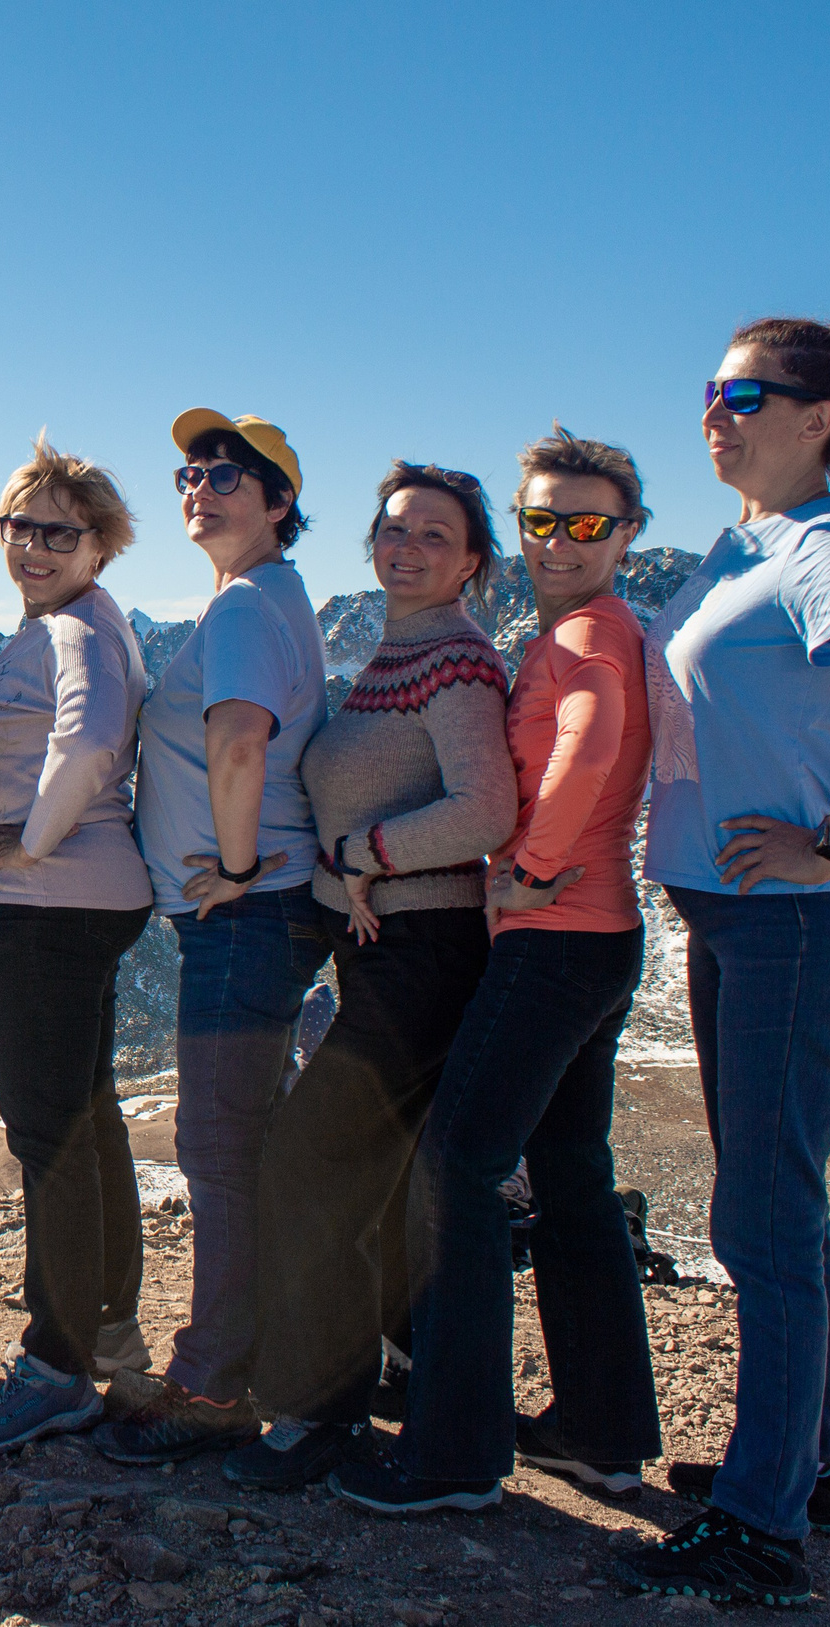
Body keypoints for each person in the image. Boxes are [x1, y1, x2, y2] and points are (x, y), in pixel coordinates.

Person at [618, 273, 830, 1607]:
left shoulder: (819, 543)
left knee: (758, 1217)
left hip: (797, 923)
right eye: (709, 391)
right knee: (781, 1203)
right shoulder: (748, 540)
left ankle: (760, 1530)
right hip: (740, 919)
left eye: (743, 395)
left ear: (817, 419)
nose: (715, 412)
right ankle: (813, 1466)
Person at [331, 428, 664, 1515]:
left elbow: (590, 743)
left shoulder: (589, 634)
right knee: (569, 1175)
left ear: (625, 534)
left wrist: (531, 866)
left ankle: (454, 1455)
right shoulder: (584, 626)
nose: (559, 540)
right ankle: (601, 1432)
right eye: (541, 519)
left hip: (555, 939)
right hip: (599, 938)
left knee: (456, 1168)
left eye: (586, 523)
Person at [229, 462, 516, 1491]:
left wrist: (366, 854)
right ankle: (391, 1374)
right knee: (376, 1177)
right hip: (384, 947)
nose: (407, 547)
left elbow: (485, 809)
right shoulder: (395, 654)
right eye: (394, 528)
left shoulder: (458, 661)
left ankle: (318, 1413)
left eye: (435, 535)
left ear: (472, 561)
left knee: (309, 1164)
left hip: (426, 950)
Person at [96, 407, 327, 1465]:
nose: (200, 488)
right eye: (190, 473)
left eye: (228, 475)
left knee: (218, 1146)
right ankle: (264, 1356)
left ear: (279, 502)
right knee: (243, 1141)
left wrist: (233, 869)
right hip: (257, 911)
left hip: (244, 911)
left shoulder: (243, 607)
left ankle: (210, 1385)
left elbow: (239, 743)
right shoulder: (264, 598)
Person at [0, 437, 156, 1456]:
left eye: (58, 534)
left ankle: (54, 1366)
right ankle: (107, 1327)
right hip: (84, 902)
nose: (32, 547)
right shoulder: (89, 619)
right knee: (87, 1117)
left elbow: (93, 736)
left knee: (47, 1138)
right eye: (18, 527)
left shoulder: (74, 629)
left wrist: (28, 840)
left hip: (43, 908)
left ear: (100, 544)